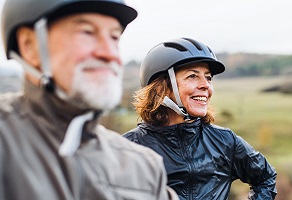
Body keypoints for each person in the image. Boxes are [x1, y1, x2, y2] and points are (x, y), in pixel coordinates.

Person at [0, 0, 178, 199]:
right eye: (87, 33)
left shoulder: (145, 168)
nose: (109, 53)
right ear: (30, 46)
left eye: (114, 37)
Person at [123, 38, 277, 199]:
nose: (206, 85)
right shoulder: (128, 149)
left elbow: (265, 178)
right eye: (192, 76)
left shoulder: (225, 141)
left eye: (208, 78)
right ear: (162, 87)